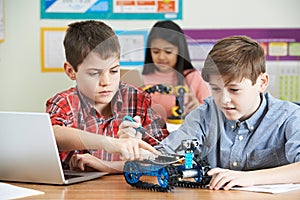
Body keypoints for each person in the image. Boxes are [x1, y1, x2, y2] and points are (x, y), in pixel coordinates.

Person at [156, 35, 300, 190]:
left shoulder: (289, 117)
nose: (224, 100)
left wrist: (249, 178)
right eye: (216, 89)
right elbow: (164, 155)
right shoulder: (205, 115)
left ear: (262, 82)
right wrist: (133, 151)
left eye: (234, 90)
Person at [46, 20, 169, 173]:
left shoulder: (138, 100)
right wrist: (110, 143)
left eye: (114, 71)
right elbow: (51, 135)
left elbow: (163, 156)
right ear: (71, 71)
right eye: (94, 73)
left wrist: (106, 165)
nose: (106, 82)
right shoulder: (64, 103)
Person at [142, 20, 210, 121]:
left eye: (168, 52)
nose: (161, 57)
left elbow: (212, 114)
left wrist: (198, 107)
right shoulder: (141, 78)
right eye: (155, 51)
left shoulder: (193, 77)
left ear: (180, 51)